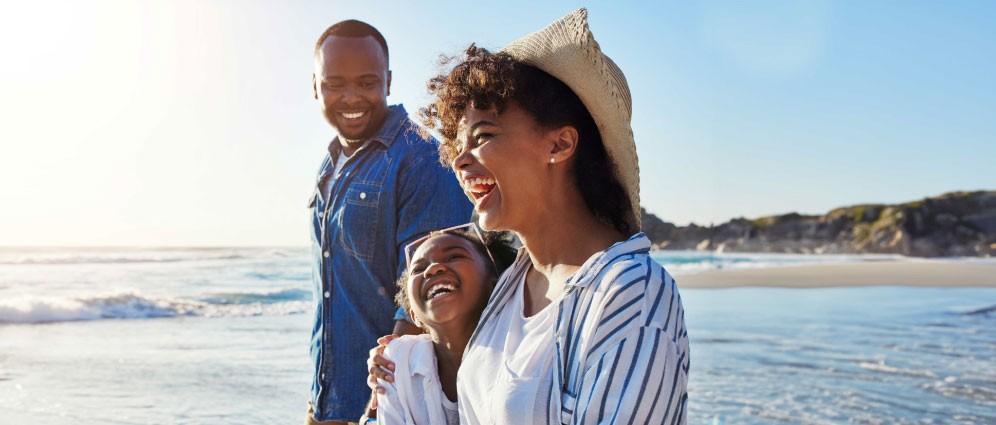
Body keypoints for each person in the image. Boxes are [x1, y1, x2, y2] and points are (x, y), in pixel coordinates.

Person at [369, 8, 689, 424]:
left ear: (559, 144)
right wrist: (408, 366)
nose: (460, 161)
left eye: (483, 136)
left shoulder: (629, 292)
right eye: (457, 146)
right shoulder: (513, 285)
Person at [307, 19, 472, 424]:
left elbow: (427, 299)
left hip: (385, 407)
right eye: (334, 84)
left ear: (388, 81)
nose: (350, 97)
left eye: (366, 83)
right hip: (327, 401)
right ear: (315, 86)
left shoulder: (421, 159)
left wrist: (376, 408)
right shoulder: (329, 165)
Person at [370, 225, 516, 425]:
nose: (432, 269)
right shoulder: (397, 361)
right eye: (419, 269)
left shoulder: (519, 356)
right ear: (413, 314)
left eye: (454, 257)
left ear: (495, 282)